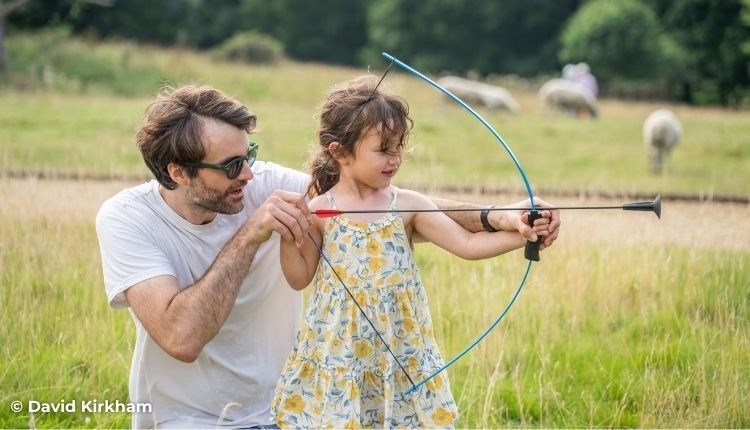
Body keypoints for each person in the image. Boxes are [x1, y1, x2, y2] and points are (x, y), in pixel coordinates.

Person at [95, 84, 560, 428]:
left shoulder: (266, 184)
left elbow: (385, 208)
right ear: (178, 171)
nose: (249, 174)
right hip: (186, 420)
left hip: (286, 412)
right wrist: (255, 233)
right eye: (231, 165)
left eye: (249, 155)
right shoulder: (126, 219)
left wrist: (502, 217)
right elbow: (181, 337)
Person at [270, 75, 557, 428]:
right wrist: (287, 235)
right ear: (340, 152)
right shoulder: (319, 212)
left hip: (402, 354)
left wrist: (524, 233)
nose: (395, 158)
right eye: (383, 149)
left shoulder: (407, 205)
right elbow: (299, 278)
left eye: (399, 146)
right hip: (339, 356)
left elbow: (466, 245)